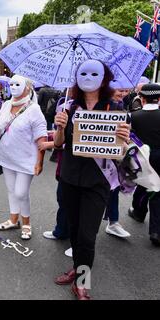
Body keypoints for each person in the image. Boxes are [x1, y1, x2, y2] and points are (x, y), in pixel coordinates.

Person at [53, 60, 131, 300]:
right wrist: (59, 127)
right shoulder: (69, 107)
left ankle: (82, 282)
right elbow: (58, 145)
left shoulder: (115, 108)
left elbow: (122, 149)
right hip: (70, 179)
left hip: (97, 182)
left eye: (93, 73)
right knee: (75, 231)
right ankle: (77, 269)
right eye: (83, 72)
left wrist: (124, 138)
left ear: (104, 77)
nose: (88, 77)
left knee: (87, 235)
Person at [0, 75, 48, 240]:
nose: (14, 87)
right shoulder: (6, 104)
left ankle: (27, 224)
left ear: (27, 88)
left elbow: (41, 137)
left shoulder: (34, 109)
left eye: (18, 84)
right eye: (11, 84)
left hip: (26, 160)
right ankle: (13, 219)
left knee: (21, 192)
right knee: (11, 190)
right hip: (6, 157)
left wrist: (40, 161)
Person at [131, 83, 160, 247]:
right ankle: (156, 230)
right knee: (158, 191)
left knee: (143, 185)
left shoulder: (134, 116)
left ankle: (139, 212)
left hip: (142, 157)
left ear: (141, 99)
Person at [102, 82, 132, 238]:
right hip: (92, 160)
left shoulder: (122, 109)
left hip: (112, 159)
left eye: (126, 90)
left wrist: (125, 138)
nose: (123, 93)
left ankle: (113, 222)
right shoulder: (98, 105)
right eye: (120, 90)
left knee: (113, 189)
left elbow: (126, 134)